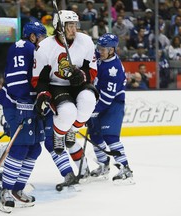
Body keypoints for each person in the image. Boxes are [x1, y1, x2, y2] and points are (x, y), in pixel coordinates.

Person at [31, 10, 98, 181]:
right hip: (57, 86)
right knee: (67, 112)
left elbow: (91, 69)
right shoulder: (45, 47)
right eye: (69, 25)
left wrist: (82, 76)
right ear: (58, 27)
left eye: (75, 25)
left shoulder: (86, 41)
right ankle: (59, 136)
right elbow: (40, 78)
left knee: (89, 100)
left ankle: (72, 131)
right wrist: (44, 94)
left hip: (78, 84)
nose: (73, 29)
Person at [0, 21, 47, 213]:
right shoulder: (23, 47)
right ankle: (5, 190)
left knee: (34, 148)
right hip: (17, 103)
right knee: (20, 147)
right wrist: (24, 103)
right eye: (41, 37)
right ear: (32, 36)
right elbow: (16, 79)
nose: (43, 41)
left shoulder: (34, 49)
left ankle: (17, 189)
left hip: (30, 104)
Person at [87, 33, 134, 185]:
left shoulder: (113, 69)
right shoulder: (102, 56)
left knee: (110, 137)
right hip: (99, 101)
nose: (100, 51)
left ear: (112, 50)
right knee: (94, 135)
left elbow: (107, 99)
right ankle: (103, 166)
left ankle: (126, 169)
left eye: (104, 49)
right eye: (99, 48)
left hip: (113, 104)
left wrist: (90, 112)